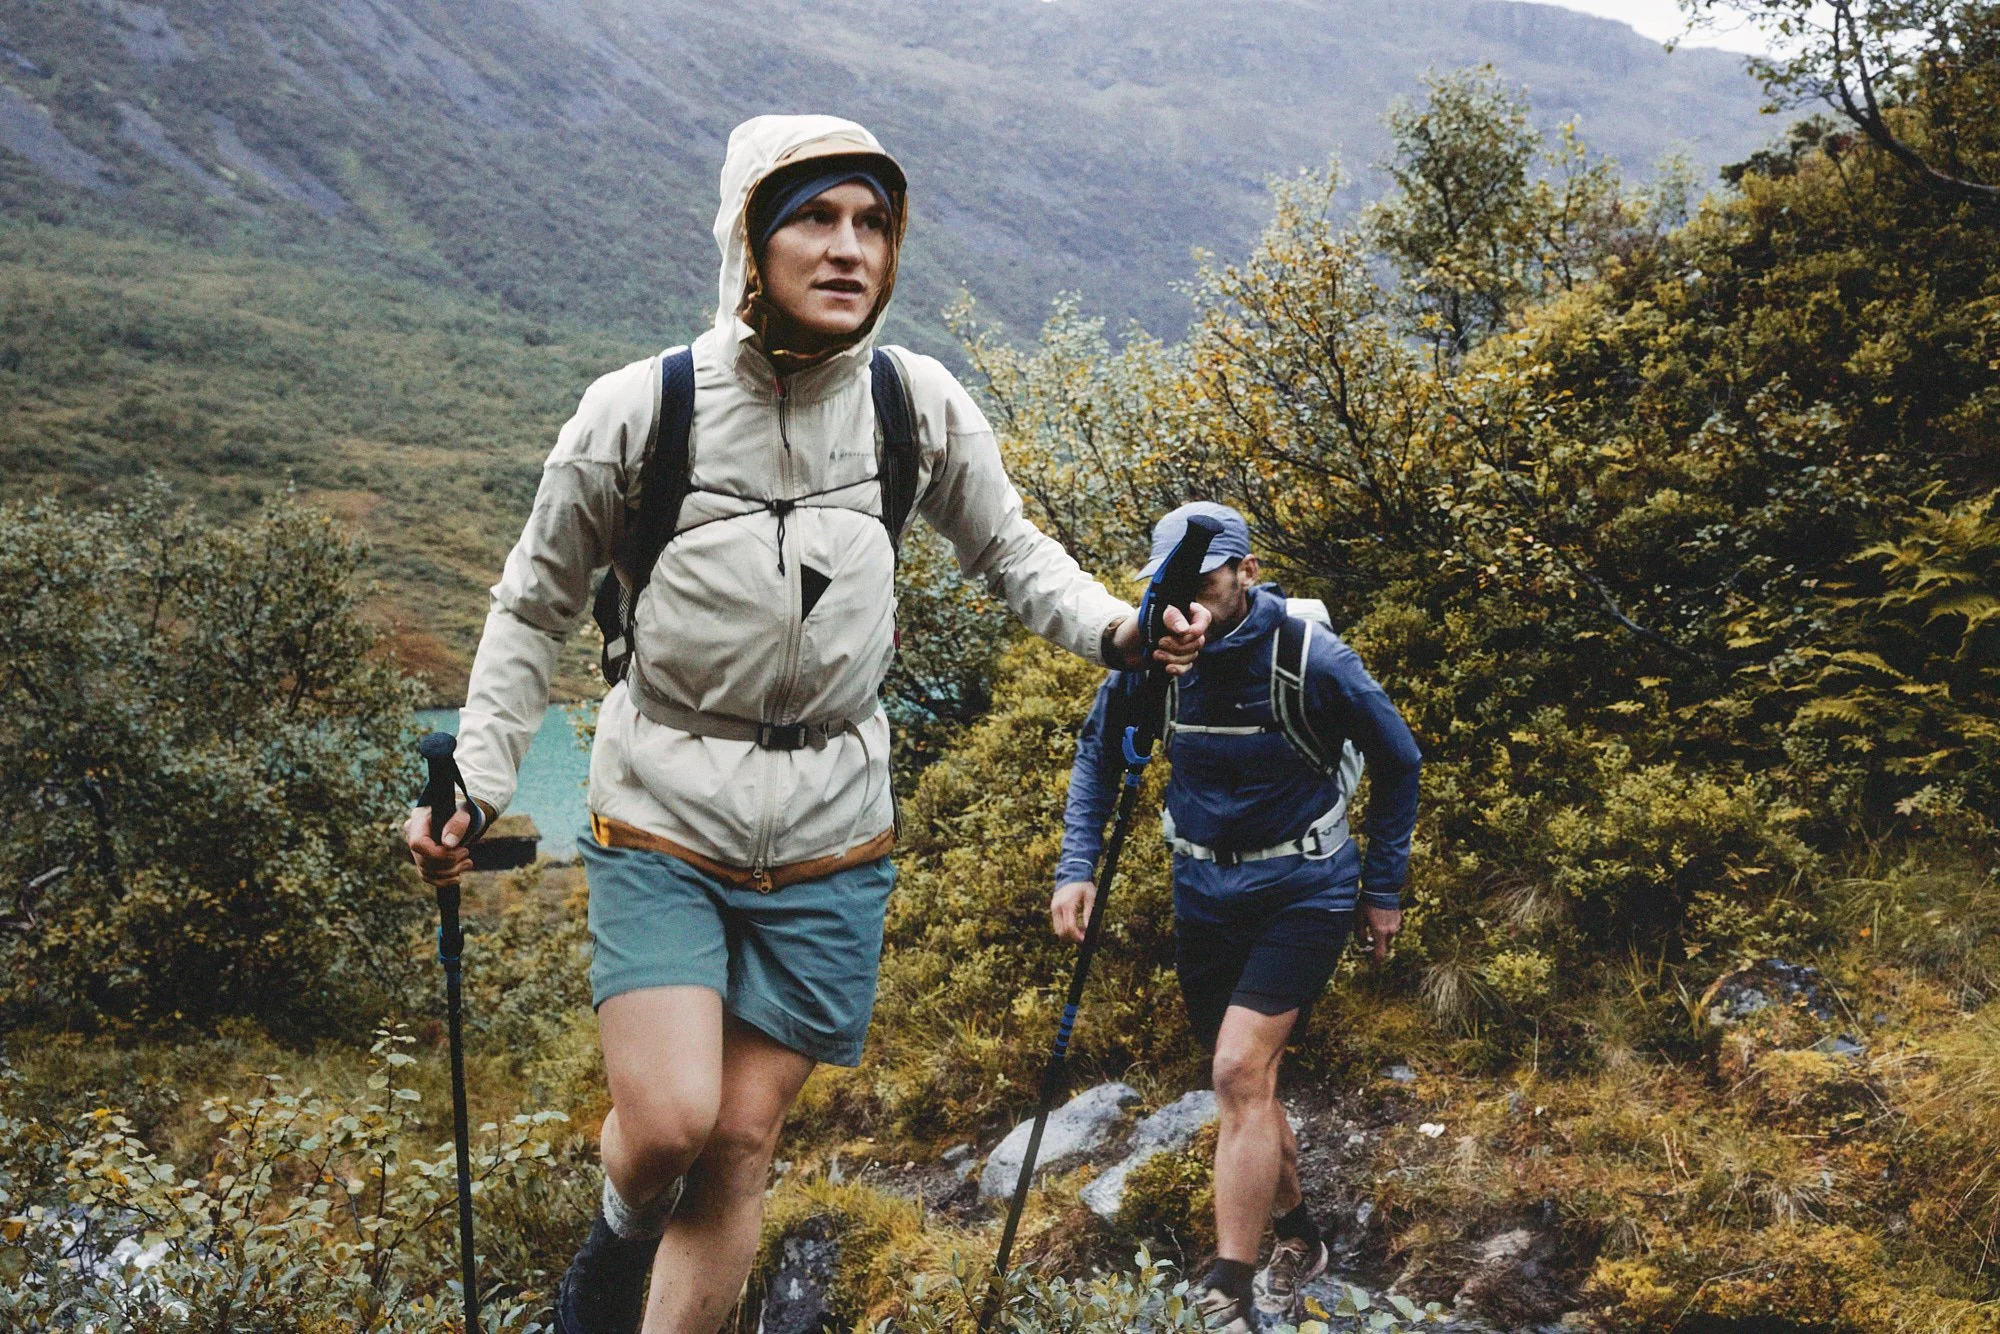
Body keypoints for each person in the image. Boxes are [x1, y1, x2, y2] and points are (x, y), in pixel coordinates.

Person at [404, 115, 1208, 1334]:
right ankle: (613, 1246)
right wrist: (475, 780)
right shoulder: (639, 410)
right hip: (665, 808)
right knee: (667, 1122)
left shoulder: (910, 401)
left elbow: (1011, 549)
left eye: (872, 224)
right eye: (814, 219)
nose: (849, 250)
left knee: (736, 1138)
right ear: (747, 241)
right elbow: (532, 609)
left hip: (833, 824)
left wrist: (1116, 630)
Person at [1050, 502, 1421, 1332]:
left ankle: (1228, 1290)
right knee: (1249, 1084)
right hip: (1203, 896)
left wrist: (1384, 887)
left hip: (1305, 890)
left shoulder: (1311, 657)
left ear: (1247, 573)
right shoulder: (1150, 660)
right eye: (1172, 586)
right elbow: (1097, 755)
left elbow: (1400, 761)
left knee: (1235, 1074)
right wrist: (1077, 868)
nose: (1187, 604)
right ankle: (1300, 1234)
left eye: (1205, 584)